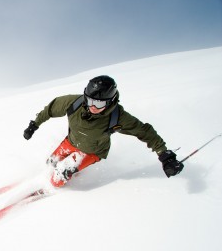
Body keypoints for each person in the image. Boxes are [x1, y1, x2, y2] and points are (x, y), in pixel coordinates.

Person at [23, 75, 184, 187]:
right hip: (70, 142)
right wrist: (34, 125)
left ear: (111, 102)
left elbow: (144, 132)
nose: (93, 107)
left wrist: (164, 155)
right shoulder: (74, 103)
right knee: (51, 163)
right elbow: (50, 109)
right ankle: (62, 174)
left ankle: (54, 185)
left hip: (92, 151)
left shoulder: (117, 116)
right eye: (91, 101)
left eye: (99, 104)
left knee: (61, 173)